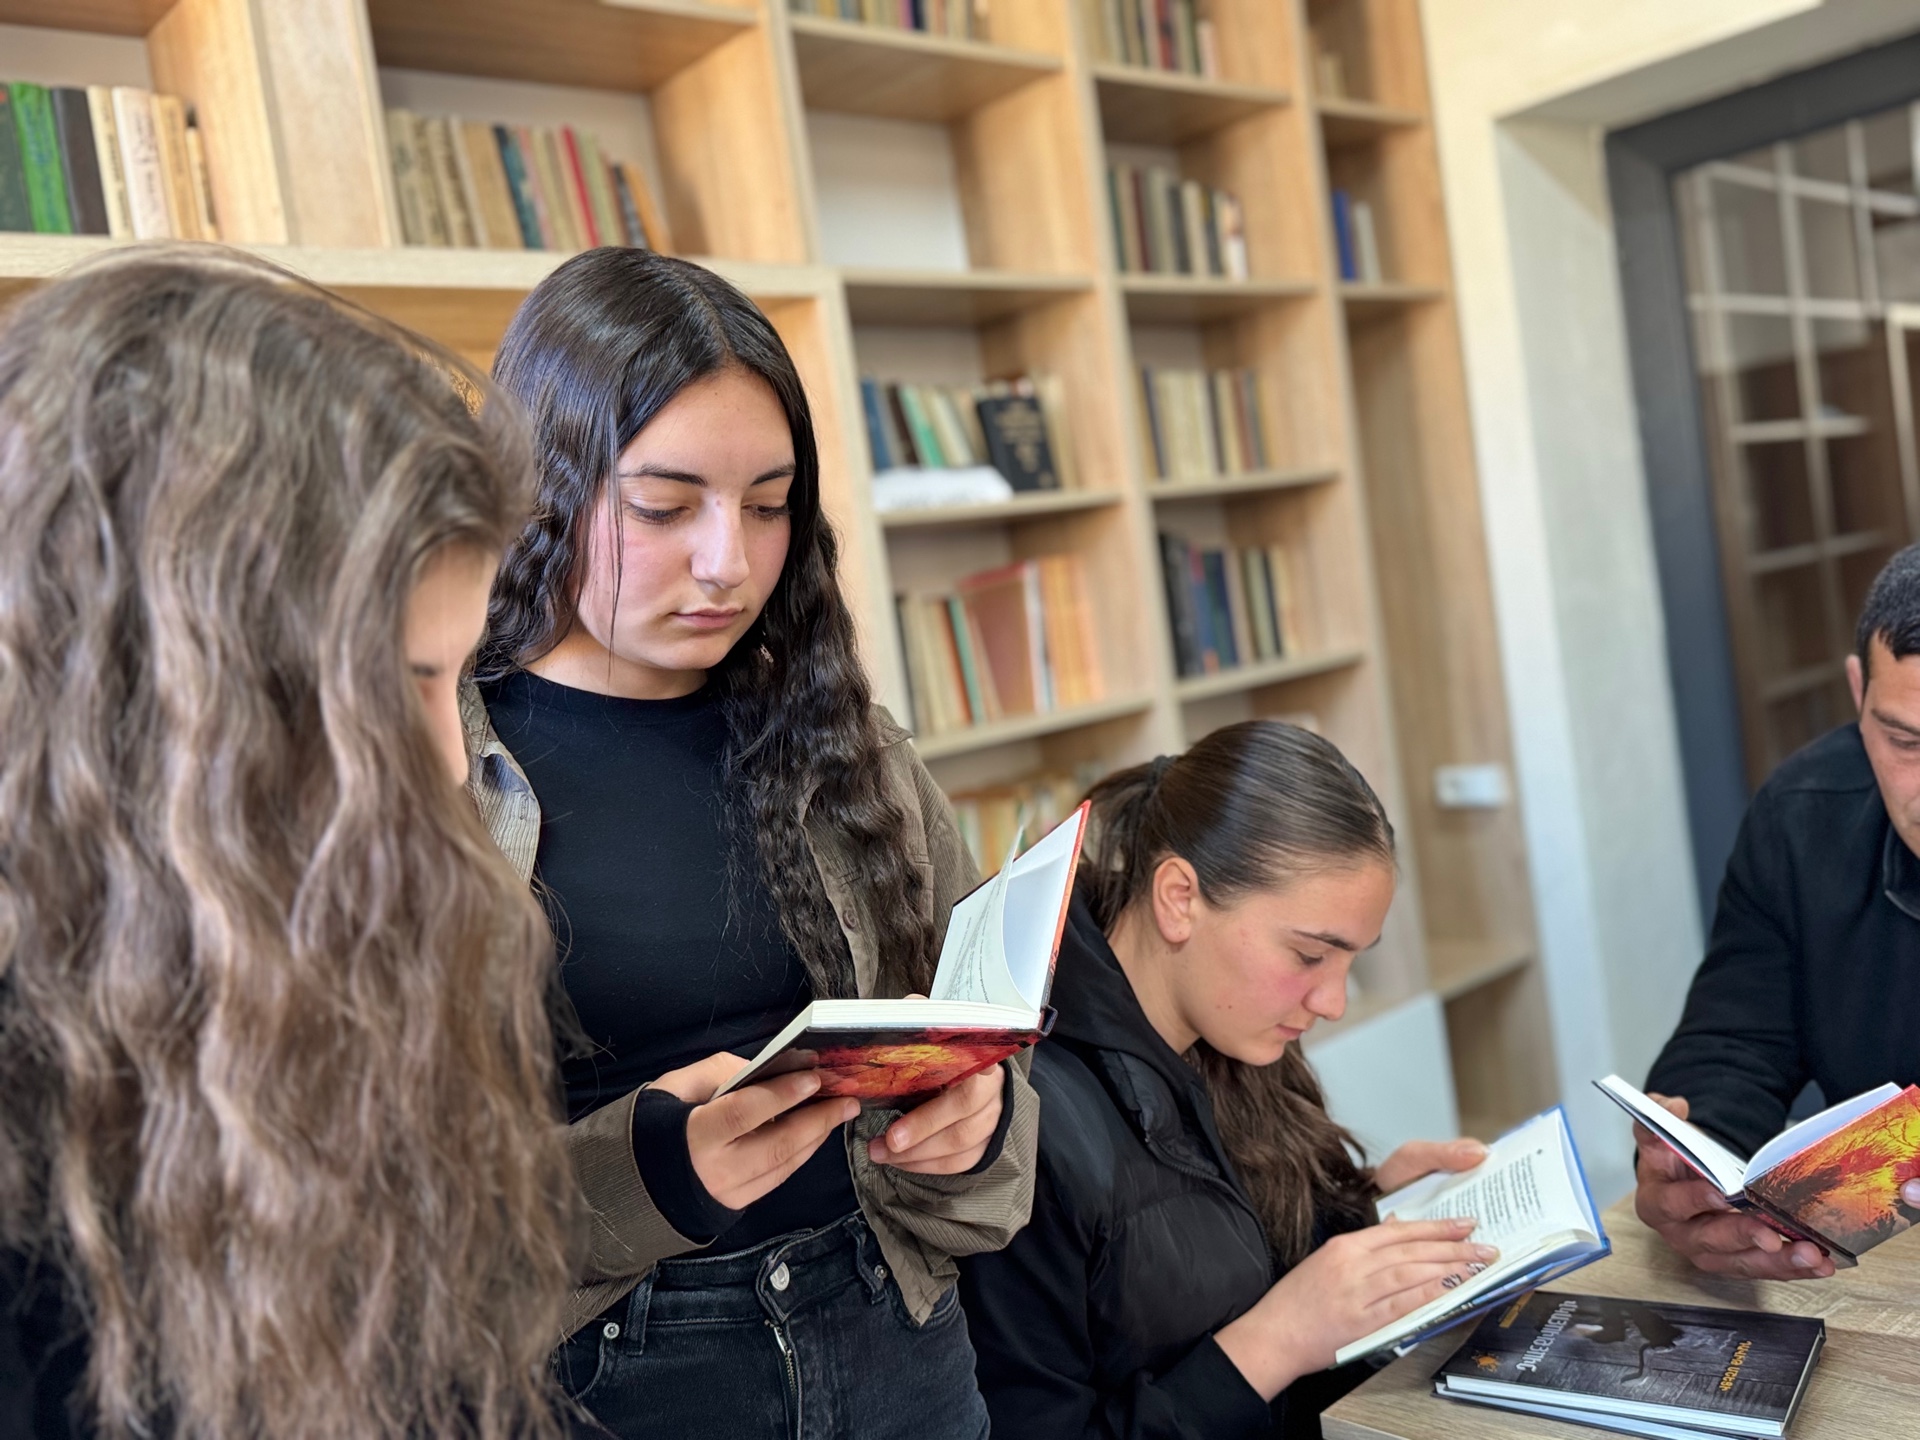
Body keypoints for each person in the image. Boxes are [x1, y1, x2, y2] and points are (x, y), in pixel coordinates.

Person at [0, 249, 578, 1439]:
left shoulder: (315, 950)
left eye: (457, 678)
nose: (447, 763)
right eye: (400, 686)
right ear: (179, 692)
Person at [471, 247, 1038, 1439]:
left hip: (889, 1329)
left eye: (770, 504)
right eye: (664, 507)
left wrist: (977, 1122)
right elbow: (368, 1200)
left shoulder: (842, 740)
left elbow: (987, 1036)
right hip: (601, 1376)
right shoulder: (439, 764)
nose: (728, 562)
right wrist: (650, 1176)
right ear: (540, 488)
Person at [959, 721, 1495, 1440]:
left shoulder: (1234, 1034)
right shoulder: (1018, 1124)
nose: (1333, 1001)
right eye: (1310, 956)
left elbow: (1240, 1250)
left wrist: (1371, 1207)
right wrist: (1275, 1342)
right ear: (1179, 898)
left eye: (1352, 961)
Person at [1638, 545, 1920, 1281]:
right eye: (1906, 742)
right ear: (1858, 691)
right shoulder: (1803, 819)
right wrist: (1699, 1171)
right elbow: (1735, 1042)